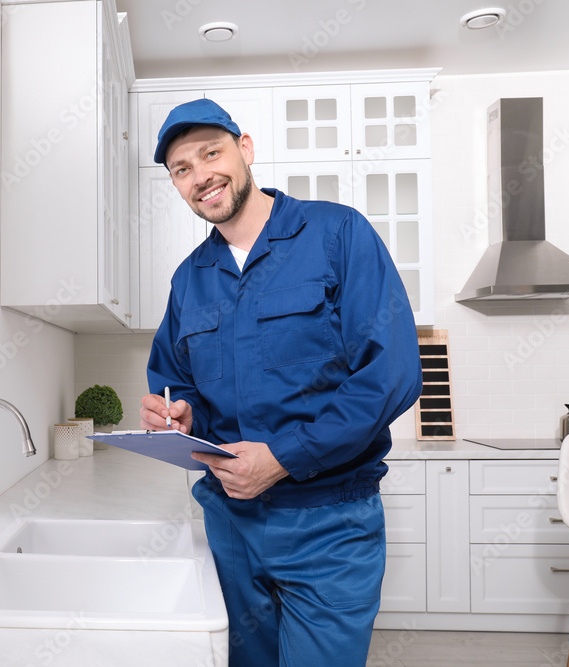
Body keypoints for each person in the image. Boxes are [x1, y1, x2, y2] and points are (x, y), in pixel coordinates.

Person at [139, 98, 423, 666]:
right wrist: (180, 412)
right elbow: (175, 380)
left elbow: (390, 375)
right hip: (228, 524)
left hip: (330, 525)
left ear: (245, 149)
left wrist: (285, 457)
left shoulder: (338, 233)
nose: (200, 177)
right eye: (182, 169)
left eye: (210, 153)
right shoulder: (188, 280)